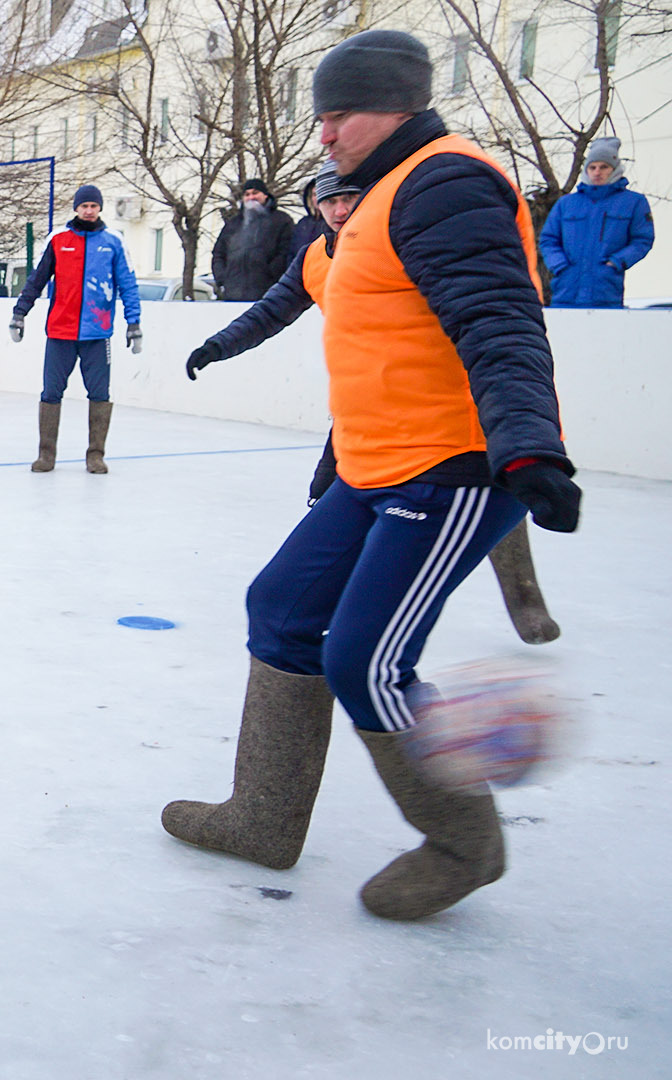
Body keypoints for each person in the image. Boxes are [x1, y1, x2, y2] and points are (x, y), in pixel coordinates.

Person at [161, 29, 581, 921]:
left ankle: (465, 842)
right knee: (281, 608)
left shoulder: (446, 182)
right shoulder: (366, 202)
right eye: (321, 117)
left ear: (395, 104)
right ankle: (262, 819)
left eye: (339, 115)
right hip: (375, 465)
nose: (324, 136)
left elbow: (498, 321)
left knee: (367, 660)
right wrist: (222, 345)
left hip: (454, 468)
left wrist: (531, 445)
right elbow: (325, 319)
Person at [188, 164, 562, 645]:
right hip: (371, 408)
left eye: (351, 198)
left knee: (484, 492)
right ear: (315, 208)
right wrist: (218, 345)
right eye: (330, 201)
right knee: (329, 497)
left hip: (456, 411)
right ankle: (352, 596)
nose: (341, 209)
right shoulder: (313, 258)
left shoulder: (402, 238)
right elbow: (269, 312)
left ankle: (523, 595)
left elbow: (492, 311)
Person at [8, 184, 142, 474]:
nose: (89, 211)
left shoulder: (113, 242)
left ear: (100, 208)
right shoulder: (59, 240)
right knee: (51, 392)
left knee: (99, 394)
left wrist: (134, 323)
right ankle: (46, 455)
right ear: (77, 208)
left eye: (94, 206)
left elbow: (128, 284)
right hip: (60, 332)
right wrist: (20, 313)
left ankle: (96, 455)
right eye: (85, 206)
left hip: (98, 332)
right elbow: (37, 279)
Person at [538, 137, 655, 308]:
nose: (597, 172)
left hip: (606, 292)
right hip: (566, 290)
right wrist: (559, 265)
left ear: (615, 169)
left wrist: (616, 262)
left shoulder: (633, 202)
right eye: (592, 167)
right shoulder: (567, 203)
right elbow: (548, 239)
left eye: (604, 167)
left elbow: (642, 240)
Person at [210, 178, 295, 301]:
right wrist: (222, 278)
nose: (251, 197)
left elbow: (286, 252)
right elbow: (218, 253)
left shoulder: (282, 221)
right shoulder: (233, 224)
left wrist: (270, 275)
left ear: (265, 195)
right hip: (232, 294)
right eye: (247, 194)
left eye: (255, 193)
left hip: (267, 295)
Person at [287, 173, 332, 258]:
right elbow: (292, 252)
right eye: (315, 194)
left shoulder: (334, 224)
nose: (318, 197)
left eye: (321, 192)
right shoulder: (303, 223)